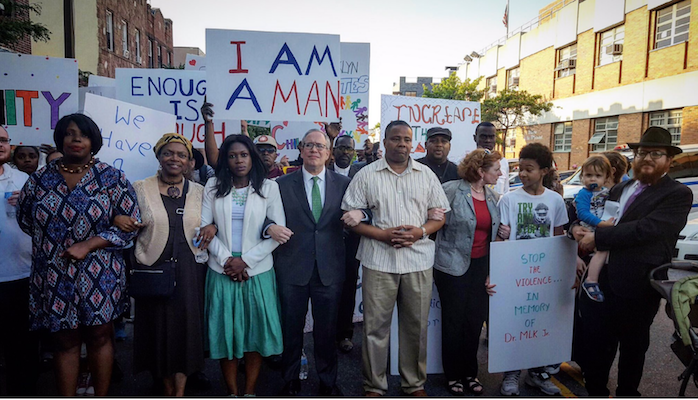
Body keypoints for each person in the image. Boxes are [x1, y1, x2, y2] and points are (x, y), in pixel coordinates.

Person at [17, 113, 140, 396]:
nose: (76, 139)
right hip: (54, 271)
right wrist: (55, 242)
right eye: (70, 133)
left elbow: (131, 225)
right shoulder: (38, 180)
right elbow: (26, 221)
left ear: (93, 141)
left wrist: (90, 243)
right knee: (64, 340)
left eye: (83, 135)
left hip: (100, 272)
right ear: (60, 138)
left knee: (99, 336)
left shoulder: (112, 178)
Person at [570, 127, 692, 396]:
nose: (647, 158)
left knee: (633, 347)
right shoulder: (621, 187)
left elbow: (646, 230)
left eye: (656, 154)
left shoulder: (677, 194)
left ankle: (627, 393)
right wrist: (575, 229)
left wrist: (598, 237)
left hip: (637, 285)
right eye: (642, 153)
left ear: (668, 160)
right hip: (600, 281)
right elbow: (592, 212)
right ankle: (596, 391)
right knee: (597, 344)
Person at [341, 120, 450, 396]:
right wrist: (382, 235)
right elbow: (349, 219)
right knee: (375, 329)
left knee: (415, 328)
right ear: (385, 142)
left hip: (418, 262)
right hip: (379, 261)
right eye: (395, 139)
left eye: (406, 139)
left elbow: (439, 217)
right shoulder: (366, 175)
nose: (402, 144)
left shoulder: (425, 175)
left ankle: (413, 384)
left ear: (413, 143)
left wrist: (420, 232)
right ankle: (374, 386)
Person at [115, 133, 210, 396]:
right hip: (152, 269)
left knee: (186, 328)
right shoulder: (138, 188)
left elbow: (214, 221)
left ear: (190, 161)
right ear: (159, 156)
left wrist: (211, 225)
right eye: (169, 153)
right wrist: (119, 218)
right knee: (156, 329)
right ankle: (165, 387)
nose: (175, 158)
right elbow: (120, 217)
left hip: (191, 270)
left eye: (181, 154)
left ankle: (179, 392)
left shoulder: (201, 192)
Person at [202, 134, 286, 397]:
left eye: (244, 155)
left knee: (254, 336)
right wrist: (228, 260)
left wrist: (245, 262)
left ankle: (249, 391)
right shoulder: (213, 185)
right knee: (226, 335)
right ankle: (232, 392)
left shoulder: (269, 187)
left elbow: (279, 233)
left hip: (257, 272)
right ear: (225, 159)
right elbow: (202, 230)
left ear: (252, 157)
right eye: (232, 155)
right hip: (222, 270)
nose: (239, 160)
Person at [269, 129, 350, 396]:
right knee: (291, 328)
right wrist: (270, 228)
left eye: (320, 146)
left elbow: (365, 209)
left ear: (328, 153)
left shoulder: (343, 184)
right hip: (292, 267)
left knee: (326, 332)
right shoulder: (280, 185)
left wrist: (363, 212)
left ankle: (328, 380)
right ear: (301, 150)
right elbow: (263, 217)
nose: (314, 150)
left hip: (330, 269)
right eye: (309, 145)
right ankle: (290, 377)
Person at [496, 143, 568, 396]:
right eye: (520, 169)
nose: (522, 174)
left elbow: (559, 237)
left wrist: (566, 270)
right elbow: (502, 239)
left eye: (529, 169)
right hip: (515, 272)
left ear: (544, 171)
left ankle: (538, 374)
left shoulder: (555, 200)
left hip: (544, 273)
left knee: (540, 324)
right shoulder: (509, 199)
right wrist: (497, 273)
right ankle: (511, 373)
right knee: (515, 323)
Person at [433, 149, 505, 396]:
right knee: (454, 322)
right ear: (481, 170)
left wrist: (501, 234)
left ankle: (470, 372)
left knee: (475, 322)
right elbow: (434, 224)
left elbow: (494, 232)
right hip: (451, 266)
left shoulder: (494, 197)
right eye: (496, 169)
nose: (500, 173)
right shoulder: (451, 190)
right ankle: (453, 375)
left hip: (481, 267)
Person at [0, 126, 39, 395]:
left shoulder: (23, 180)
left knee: (21, 348)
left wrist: (30, 206)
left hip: (20, 275)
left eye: (3, 140)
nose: (0, 144)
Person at [328, 134, 366, 354]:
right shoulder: (323, 171)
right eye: (340, 148)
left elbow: (370, 204)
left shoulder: (362, 173)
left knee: (349, 286)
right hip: (326, 238)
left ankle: (345, 333)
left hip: (352, 241)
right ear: (333, 151)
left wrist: (359, 215)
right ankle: (325, 331)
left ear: (354, 152)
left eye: (349, 149)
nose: (345, 152)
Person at [574, 156, 615, 302]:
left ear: (606, 178)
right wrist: (601, 224)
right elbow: (582, 213)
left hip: (602, 228)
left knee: (604, 251)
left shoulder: (607, 192)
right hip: (589, 228)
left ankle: (591, 277)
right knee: (602, 249)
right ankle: (591, 279)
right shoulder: (584, 194)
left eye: (598, 176)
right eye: (588, 175)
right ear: (582, 176)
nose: (593, 179)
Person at [474, 122, 509, 194]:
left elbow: (506, 191)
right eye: (483, 137)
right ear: (475, 138)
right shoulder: (466, 163)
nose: (488, 140)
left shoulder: (503, 162)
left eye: (491, 137)